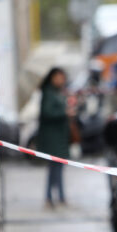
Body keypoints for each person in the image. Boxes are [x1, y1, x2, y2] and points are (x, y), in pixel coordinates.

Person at [37, 67, 74, 208]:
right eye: (58, 77)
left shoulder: (58, 92)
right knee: (54, 168)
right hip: (52, 138)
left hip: (59, 137)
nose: (61, 80)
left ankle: (56, 197)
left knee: (57, 168)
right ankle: (53, 197)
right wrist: (64, 113)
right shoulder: (48, 92)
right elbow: (47, 112)